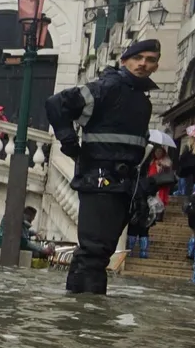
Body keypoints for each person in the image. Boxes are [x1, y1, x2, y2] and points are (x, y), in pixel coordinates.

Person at [46, 39, 161, 294]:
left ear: (156, 65)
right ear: (125, 61)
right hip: (100, 178)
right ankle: (88, 317)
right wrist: (69, 143)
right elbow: (56, 103)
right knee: (95, 251)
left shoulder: (142, 100)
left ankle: (79, 310)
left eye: (150, 59)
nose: (143, 64)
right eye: (138, 57)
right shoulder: (107, 87)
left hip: (123, 183)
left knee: (98, 252)